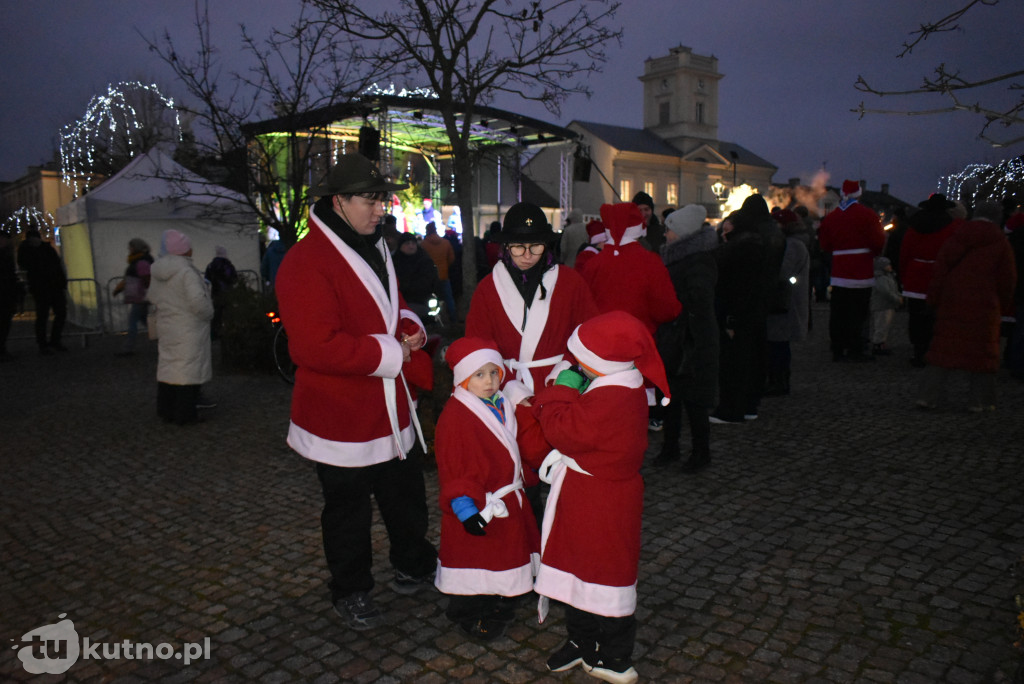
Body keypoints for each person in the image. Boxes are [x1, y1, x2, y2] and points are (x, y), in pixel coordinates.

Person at [274, 153, 438, 631]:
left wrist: (411, 329)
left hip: (389, 408)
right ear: (339, 201)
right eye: (370, 200)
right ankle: (351, 589)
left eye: (382, 199)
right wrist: (390, 352)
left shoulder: (376, 246)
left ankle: (414, 562)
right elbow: (314, 347)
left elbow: (395, 306)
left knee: (405, 496)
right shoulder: (305, 261)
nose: (380, 209)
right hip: (340, 413)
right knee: (347, 511)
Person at [533, 310, 670, 684]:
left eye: (583, 361)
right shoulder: (619, 382)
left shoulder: (615, 396)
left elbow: (563, 429)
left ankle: (614, 656)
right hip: (586, 493)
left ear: (602, 363)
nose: (577, 365)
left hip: (603, 501)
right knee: (577, 566)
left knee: (607, 575)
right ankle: (582, 641)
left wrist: (560, 389)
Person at [433, 337, 540, 642]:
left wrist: (527, 471)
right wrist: (465, 508)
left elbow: (512, 447)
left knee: (502, 559)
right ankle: (467, 612)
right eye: (479, 375)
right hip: (478, 505)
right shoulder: (456, 417)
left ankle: (498, 606)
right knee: (476, 564)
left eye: (494, 373)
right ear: (464, 379)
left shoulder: (502, 405)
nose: (490, 381)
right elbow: (454, 465)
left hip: (507, 499)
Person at [466, 202, 599, 397]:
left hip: (561, 385)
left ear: (545, 246)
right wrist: (511, 389)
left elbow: (590, 334)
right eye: (519, 247)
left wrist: (567, 373)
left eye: (535, 246)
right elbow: (478, 347)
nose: (527, 255)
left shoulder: (571, 282)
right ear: (506, 246)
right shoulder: (487, 289)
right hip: (503, 387)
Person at [578, 202, 681, 430]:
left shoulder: (593, 264)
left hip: (598, 358)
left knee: (603, 418)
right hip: (637, 355)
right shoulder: (650, 262)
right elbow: (667, 310)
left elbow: (582, 311)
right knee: (632, 421)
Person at [916, 201, 1016, 411]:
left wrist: (933, 299)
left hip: (953, 299)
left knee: (943, 350)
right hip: (986, 303)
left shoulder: (958, 236)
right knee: (983, 354)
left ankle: (928, 396)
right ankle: (980, 401)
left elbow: (941, 269)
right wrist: (1003, 305)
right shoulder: (1000, 242)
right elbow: (1007, 280)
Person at [656, 205, 719, 472]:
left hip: (692, 342)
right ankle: (671, 448)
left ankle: (700, 453)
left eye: (669, 229)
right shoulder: (681, 258)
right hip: (678, 337)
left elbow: (699, 304)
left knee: (694, 402)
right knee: (671, 398)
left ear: (681, 234)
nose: (666, 234)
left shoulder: (697, 262)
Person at [147, 229, 214, 425]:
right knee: (187, 371)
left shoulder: (158, 271)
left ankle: (166, 409)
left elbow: (152, 297)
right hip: (189, 328)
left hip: (168, 325)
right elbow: (197, 303)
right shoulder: (186, 272)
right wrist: (209, 313)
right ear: (184, 251)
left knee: (168, 367)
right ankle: (185, 414)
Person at [818, 179, 886, 361]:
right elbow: (878, 242)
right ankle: (856, 348)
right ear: (859, 194)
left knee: (838, 313)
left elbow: (825, 244)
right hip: (861, 270)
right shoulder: (868, 215)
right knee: (858, 312)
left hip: (840, 270)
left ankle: (838, 349)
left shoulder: (831, 217)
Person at [899, 194, 958, 367]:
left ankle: (919, 351)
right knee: (937, 317)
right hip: (940, 276)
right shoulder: (951, 227)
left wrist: (904, 276)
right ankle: (935, 351)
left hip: (915, 276)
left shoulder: (914, 227)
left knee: (916, 317)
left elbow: (905, 253)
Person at [764, 209, 810, 396]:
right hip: (784, 301)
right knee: (777, 344)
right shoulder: (792, 243)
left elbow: (783, 271)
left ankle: (779, 382)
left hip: (785, 302)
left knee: (779, 344)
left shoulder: (792, 245)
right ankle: (777, 381)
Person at [16, 228, 68, 354]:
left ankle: (53, 341)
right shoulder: (29, 250)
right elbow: (24, 263)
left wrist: (62, 282)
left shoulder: (46, 249)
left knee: (58, 314)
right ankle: (44, 343)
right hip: (42, 287)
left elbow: (57, 265)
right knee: (43, 316)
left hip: (52, 286)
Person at [112, 238, 154, 356]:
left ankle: (128, 348)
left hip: (139, 296)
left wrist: (119, 288)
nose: (129, 249)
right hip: (141, 296)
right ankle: (165, 338)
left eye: (131, 247)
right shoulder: (142, 260)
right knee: (144, 321)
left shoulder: (139, 262)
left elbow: (146, 279)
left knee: (133, 321)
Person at [392, 232, 440, 323]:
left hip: (423, 302)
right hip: (402, 302)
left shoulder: (425, 260)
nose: (411, 246)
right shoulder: (395, 262)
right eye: (407, 244)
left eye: (413, 243)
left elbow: (430, 280)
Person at [421, 221, 458, 323]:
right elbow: (452, 259)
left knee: (431, 301)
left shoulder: (423, 245)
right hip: (444, 275)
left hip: (430, 278)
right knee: (449, 300)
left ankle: (435, 322)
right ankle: (453, 321)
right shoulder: (446, 243)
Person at [869, 257, 902, 356]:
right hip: (882, 306)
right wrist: (897, 298)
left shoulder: (885, 277)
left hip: (886, 305)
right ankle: (878, 344)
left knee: (883, 326)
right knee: (881, 326)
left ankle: (880, 343)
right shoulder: (882, 278)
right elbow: (886, 292)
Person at [204, 245, 238, 340]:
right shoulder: (228, 265)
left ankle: (215, 334)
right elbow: (234, 278)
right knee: (228, 314)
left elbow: (206, 280)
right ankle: (228, 334)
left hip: (215, 293)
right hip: (227, 293)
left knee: (216, 316)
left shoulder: (211, 266)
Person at [0, 230, 18, 361]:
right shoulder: (5, 256)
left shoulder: (7, 255)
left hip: (7, 294)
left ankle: (2, 348)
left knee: (5, 324)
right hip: (4, 294)